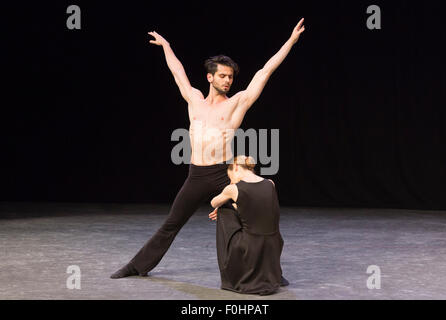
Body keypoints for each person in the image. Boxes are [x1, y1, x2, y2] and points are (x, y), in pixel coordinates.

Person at [110, 19, 306, 279]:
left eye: (231, 77)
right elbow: (177, 72)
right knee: (172, 223)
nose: (227, 81)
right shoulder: (194, 100)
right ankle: (136, 266)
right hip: (197, 175)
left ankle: (271, 273)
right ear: (210, 77)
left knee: (252, 221)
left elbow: (264, 72)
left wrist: (290, 41)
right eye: (222, 76)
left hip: (224, 173)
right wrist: (166, 46)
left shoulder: (237, 103)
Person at [209, 156, 287, 295]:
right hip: (274, 244)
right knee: (236, 206)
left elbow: (213, 202)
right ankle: (272, 272)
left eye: (231, 176)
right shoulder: (270, 183)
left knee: (223, 208)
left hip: (249, 247)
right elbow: (256, 209)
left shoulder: (233, 188)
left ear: (236, 167)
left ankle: (238, 272)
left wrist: (226, 205)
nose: (231, 180)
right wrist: (235, 204)